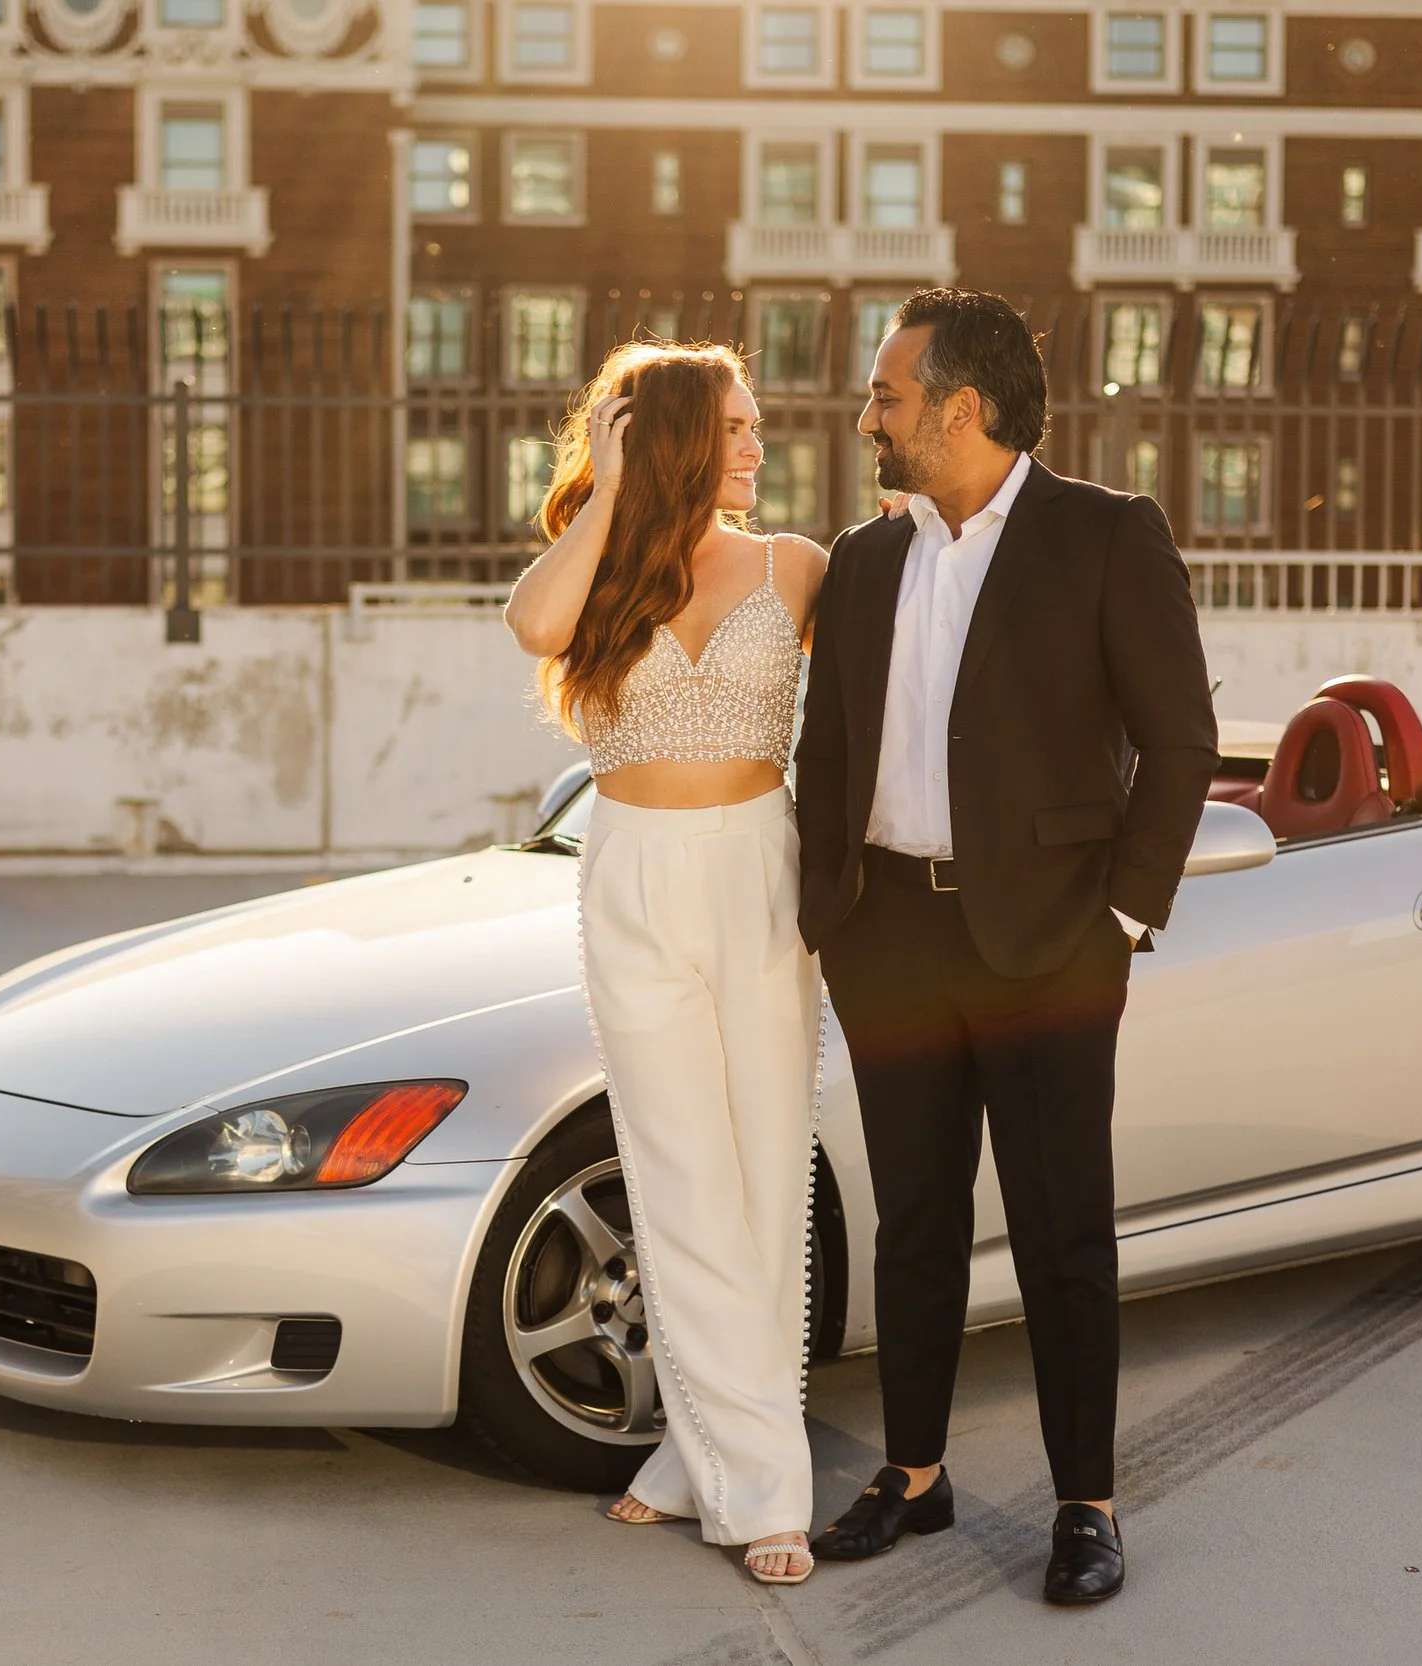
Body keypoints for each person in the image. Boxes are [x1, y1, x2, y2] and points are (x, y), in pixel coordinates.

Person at [795, 289, 1218, 1605]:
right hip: (889, 940)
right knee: (913, 1224)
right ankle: (914, 1472)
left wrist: (1122, 918)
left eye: (887, 396)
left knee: (1060, 1231)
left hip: (1051, 947)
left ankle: (1086, 1504)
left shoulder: (1105, 534)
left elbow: (1182, 739)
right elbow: (828, 750)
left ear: (961, 408)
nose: (868, 417)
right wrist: (829, 916)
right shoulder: (864, 558)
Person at [504, 342, 833, 1586]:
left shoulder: (797, 566)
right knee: (680, 1177)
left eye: (755, 426)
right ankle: (763, 1490)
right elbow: (531, 623)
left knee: (763, 1177)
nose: (756, 447)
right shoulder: (597, 571)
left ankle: (702, 1461)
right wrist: (608, 488)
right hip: (632, 872)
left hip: (758, 871)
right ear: (682, 441)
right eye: (734, 428)